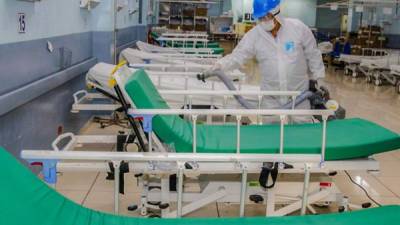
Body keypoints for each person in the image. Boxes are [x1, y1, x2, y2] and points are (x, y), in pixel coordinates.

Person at [211, 0, 325, 122]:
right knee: (271, 133)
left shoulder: (298, 28)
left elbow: (313, 54)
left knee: (301, 129)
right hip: (271, 96)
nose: (264, 20)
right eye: (261, 17)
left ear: (276, 12)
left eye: (267, 16)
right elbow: (238, 56)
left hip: (299, 94)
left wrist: (319, 78)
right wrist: (220, 65)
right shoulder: (255, 35)